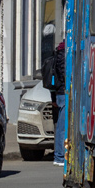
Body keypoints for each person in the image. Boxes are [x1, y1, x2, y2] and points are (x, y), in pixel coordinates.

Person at [42, 31, 67, 166]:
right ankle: (59, 156)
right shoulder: (64, 53)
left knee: (61, 126)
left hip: (59, 93)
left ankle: (60, 155)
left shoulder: (59, 51)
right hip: (64, 93)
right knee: (62, 127)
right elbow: (63, 74)